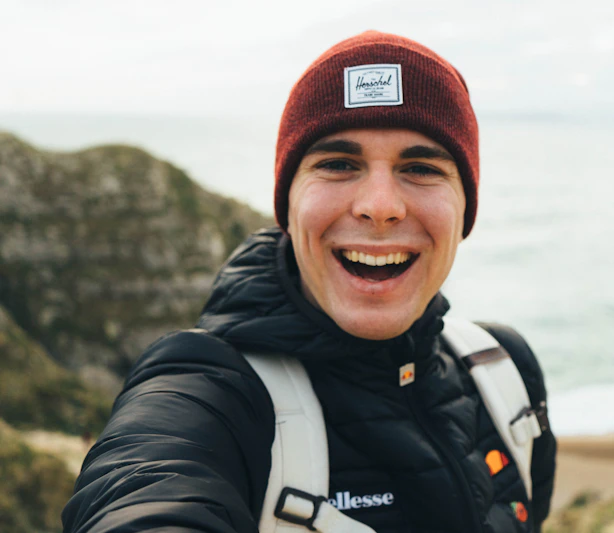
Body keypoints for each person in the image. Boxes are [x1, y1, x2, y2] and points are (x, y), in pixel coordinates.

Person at [62, 31, 556, 533]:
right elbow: (144, 493)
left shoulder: (504, 371)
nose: (380, 206)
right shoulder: (211, 392)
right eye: (338, 164)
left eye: (421, 167)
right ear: (288, 203)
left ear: (465, 208)